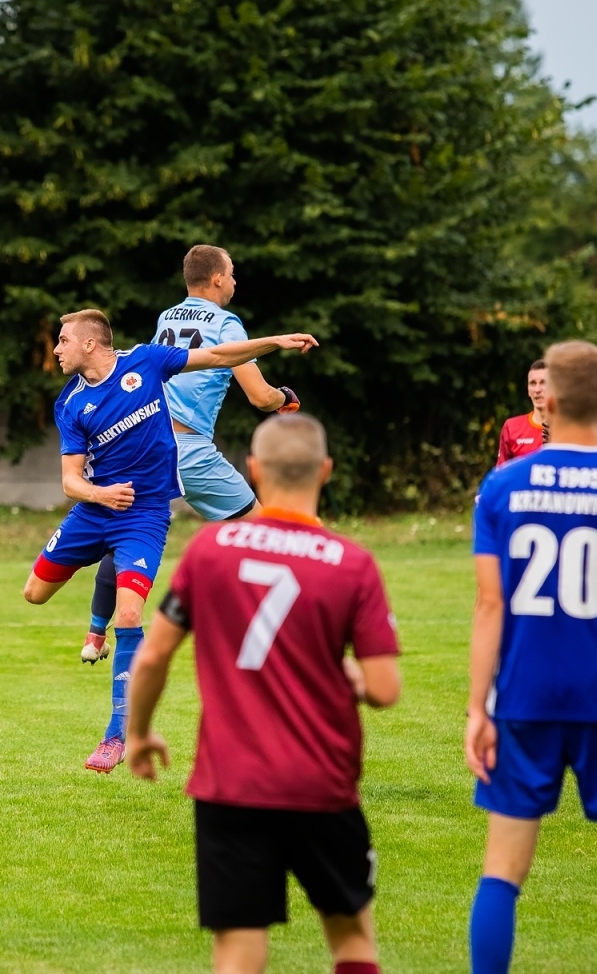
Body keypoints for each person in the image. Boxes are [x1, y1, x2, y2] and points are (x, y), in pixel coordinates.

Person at [124, 414, 401, 974]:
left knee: (238, 948)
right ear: (326, 471)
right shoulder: (353, 563)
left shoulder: (210, 549)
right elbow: (385, 689)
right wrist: (346, 676)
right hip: (322, 781)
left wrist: (138, 733)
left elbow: (152, 655)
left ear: (252, 469)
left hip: (232, 785)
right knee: (351, 939)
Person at [466, 340, 597, 974]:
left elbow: (489, 607)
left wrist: (477, 708)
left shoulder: (503, 485)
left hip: (525, 699)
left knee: (503, 869)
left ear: (549, 399)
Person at [21, 309, 318, 773]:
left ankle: (116, 736)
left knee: (132, 612)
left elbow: (218, 354)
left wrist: (274, 340)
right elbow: (70, 482)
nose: (56, 350)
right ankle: (97, 619)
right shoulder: (71, 404)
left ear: (90, 344)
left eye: (62, 341)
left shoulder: (146, 361)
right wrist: (100, 494)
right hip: (94, 511)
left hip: (143, 514)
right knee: (34, 594)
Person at [79, 245, 300, 666]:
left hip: (146, 442)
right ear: (216, 278)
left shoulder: (167, 316)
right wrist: (283, 398)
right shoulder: (227, 323)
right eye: (232, 273)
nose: (235, 281)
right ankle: (273, 633)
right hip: (189, 450)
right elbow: (258, 395)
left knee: (127, 532)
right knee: (265, 534)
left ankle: (94, 632)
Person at [495, 360, 549, 466]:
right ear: (528, 390)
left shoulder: (568, 429)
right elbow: (502, 475)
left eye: (543, 382)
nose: (537, 389)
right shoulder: (511, 427)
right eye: (533, 383)